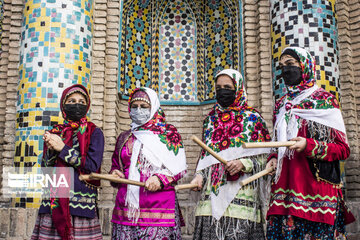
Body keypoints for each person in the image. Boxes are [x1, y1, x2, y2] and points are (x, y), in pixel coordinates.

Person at [266, 46, 355, 239]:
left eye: (290, 64)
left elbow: (342, 149)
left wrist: (309, 145)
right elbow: (277, 143)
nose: (285, 70)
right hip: (284, 192)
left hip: (316, 193)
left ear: (305, 66)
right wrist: (273, 158)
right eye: (281, 66)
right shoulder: (282, 104)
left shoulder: (325, 100)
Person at [191, 69, 272, 240]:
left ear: (238, 88)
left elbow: (268, 157)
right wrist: (198, 176)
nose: (223, 91)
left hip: (242, 201)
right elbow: (204, 157)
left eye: (227, 87)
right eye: (219, 87)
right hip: (210, 199)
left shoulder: (253, 119)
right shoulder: (210, 120)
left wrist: (244, 164)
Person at [110, 87, 187, 240]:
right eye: (134, 106)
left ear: (153, 108)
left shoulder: (168, 134)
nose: (138, 110)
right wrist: (115, 174)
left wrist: (160, 179)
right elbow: (116, 165)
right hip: (126, 212)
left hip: (159, 209)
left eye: (144, 107)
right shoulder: (124, 137)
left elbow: (178, 167)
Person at [31, 84, 104, 240]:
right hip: (53, 204)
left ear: (87, 105)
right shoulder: (54, 132)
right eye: (71, 101)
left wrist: (62, 148)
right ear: (63, 105)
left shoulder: (94, 132)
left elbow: (92, 166)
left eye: (81, 101)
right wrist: (51, 149)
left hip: (80, 205)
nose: (77, 104)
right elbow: (46, 170)